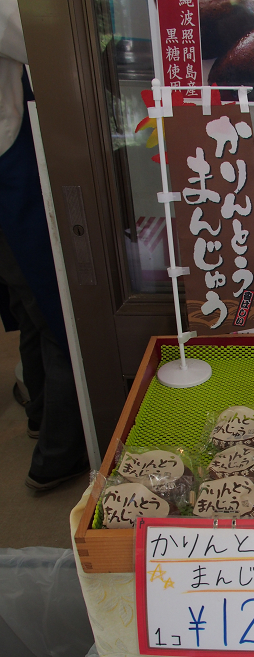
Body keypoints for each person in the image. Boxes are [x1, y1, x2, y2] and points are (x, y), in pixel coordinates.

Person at [0, 0, 88, 490]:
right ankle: (57, 455)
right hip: (9, 161)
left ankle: (39, 412)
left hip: (9, 153)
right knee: (58, 310)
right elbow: (48, 39)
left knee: (26, 298)